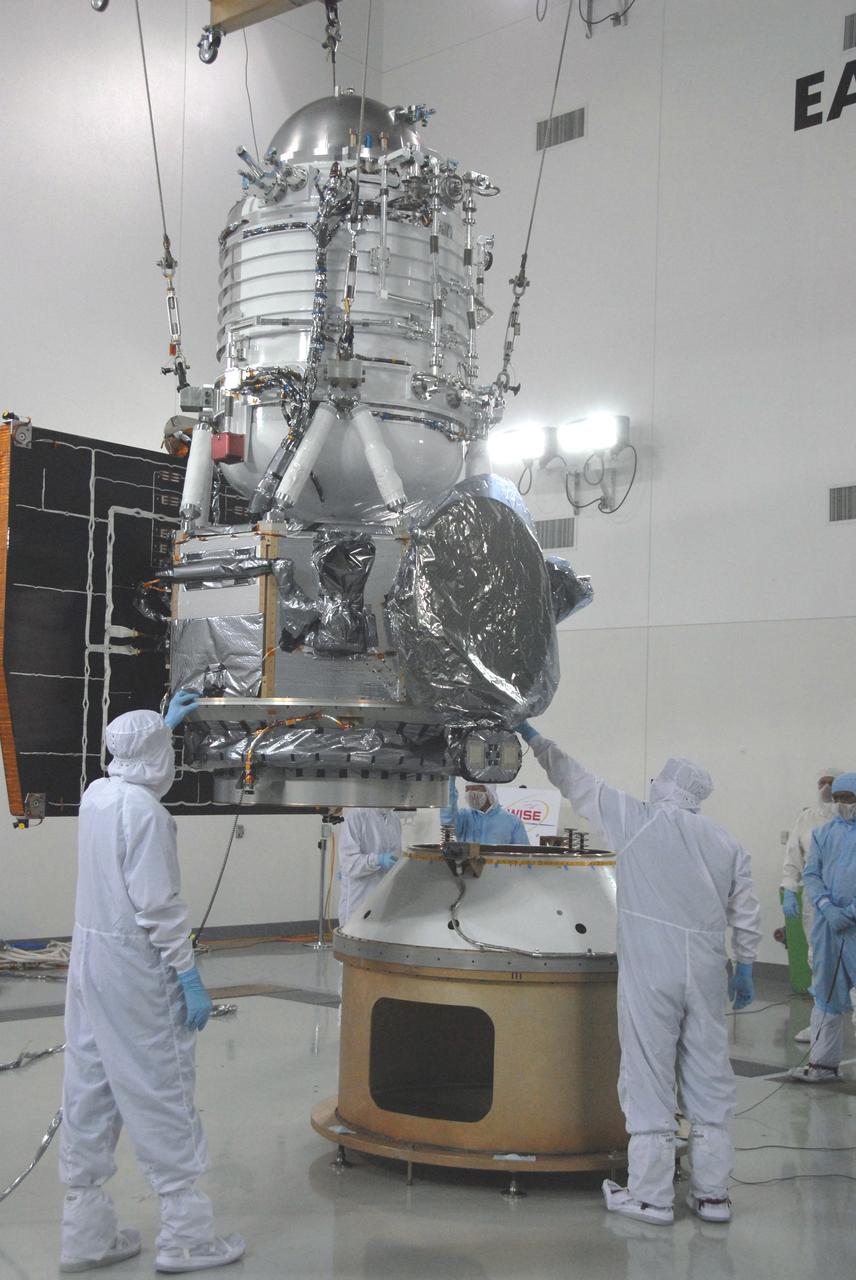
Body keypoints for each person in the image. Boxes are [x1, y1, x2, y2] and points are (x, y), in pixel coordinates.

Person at [518, 721, 761, 1226]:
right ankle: (713, 1194)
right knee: (709, 1074)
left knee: (649, 1073)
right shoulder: (724, 841)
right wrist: (748, 965)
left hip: (653, 971)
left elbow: (576, 780)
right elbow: (746, 910)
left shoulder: (639, 820)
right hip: (709, 972)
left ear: (665, 786)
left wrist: (535, 739)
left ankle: (650, 1196)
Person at [59, 692, 245, 1274]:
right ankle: (186, 1237)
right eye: (168, 748)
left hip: (89, 960)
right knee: (160, 1087)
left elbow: (127, 765)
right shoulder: (147, 816)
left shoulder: (97, 796)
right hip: (136, 967)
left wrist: (157, 727)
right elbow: (159, 906)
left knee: (90, 1086)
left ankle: (84, 1234)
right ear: (157, 757)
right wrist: (188, 976)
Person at [789, 773, 856, 1085]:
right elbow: (811, 872)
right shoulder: (824, 833)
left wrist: (850, 912)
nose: (843, 804)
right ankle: (823, 1066)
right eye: (838, 798)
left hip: (852, 927)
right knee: (826, 996)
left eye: (849, 798)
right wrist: (827, 907)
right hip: (827, 927)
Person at [781, 768, 842, 1043]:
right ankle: (819, 1024)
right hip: (814, 901)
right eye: (822, 782)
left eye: (831, 782)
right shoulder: (807, 819)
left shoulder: (849, 821)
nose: (825, 787)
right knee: (817, 960)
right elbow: (793, 855)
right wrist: (790, 889)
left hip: (847, 903)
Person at [337, 808, 402, 928]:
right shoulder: (355, 816)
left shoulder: (394, 819)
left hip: (383, 900)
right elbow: (349, 863)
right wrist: (378, 860)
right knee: (355, 936)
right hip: (359, 898)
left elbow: (395, 856)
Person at [440, 779, 530, 845]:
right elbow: (447, 820)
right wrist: (449, 779)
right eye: (468, 789)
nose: (472, 793)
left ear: (489, 791)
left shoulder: (512, 822)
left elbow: (524, 855)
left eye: (477, 788)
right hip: (466, 868)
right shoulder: (463, 817)